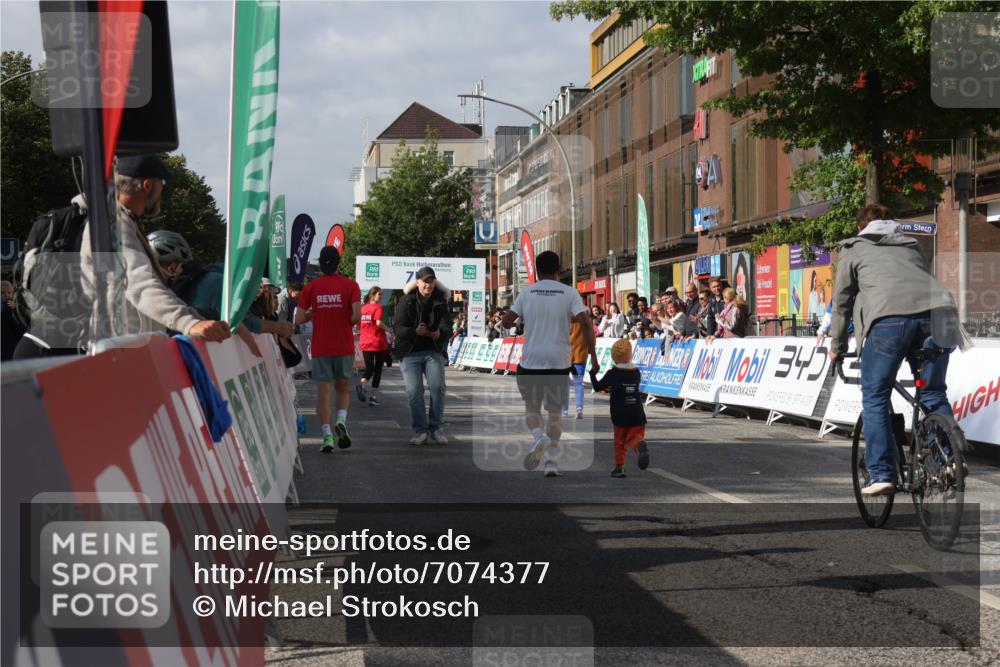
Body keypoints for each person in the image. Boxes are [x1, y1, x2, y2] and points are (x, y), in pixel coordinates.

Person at [16, 156, 230, 359]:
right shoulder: (112, 225)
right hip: (102, 354)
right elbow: (139, 282)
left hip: (110, 350)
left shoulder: (122, 221)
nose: (162, 191)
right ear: (147, 185)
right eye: (161, 183)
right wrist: (189, 323)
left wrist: (202, 322)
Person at [829, 204, 969, 496]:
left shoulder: (854, 249)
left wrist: (837, 347)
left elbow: (842, 303)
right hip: (939, 316)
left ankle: (882, 473)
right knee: (932, 391)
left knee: (876, 396)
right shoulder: (912, 245)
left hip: (889, 321)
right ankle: (949, 459)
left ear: (860, 228)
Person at [502, 251, 598, 478]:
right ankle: (552, 462)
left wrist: (517, 317)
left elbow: (507, 321)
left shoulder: (527, 293)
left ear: (536, 269)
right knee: (555, 413)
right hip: (558, 361)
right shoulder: (569, 293)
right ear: (560, 268)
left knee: (532, 409)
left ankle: (539, 437)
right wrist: (593, 355)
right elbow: (585, 321)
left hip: (532, 360)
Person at [147, 229, 290, 356]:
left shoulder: (209, 283)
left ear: (172, 267)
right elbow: (244, 321)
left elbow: (243, 320)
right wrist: (278, 327)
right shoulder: (212, 281)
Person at [295, 247, 362, 453]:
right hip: (344, 346)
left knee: (323, 393)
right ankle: (341, 420)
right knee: (342, 388)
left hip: (321, 347)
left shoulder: (311, 287)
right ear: (338, 263)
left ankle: (327, 437)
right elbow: (357, 316)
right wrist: (344, 319)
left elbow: (298, 319)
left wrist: (314, 313)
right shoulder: (351, 285)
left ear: (321, 263)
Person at [395, 266, 453, 445]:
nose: (428, 284)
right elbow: (398, 329)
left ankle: (435, 428)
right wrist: (415, 331)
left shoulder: (441, 302)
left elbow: (447, 327)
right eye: (425, 281)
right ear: (417, 282)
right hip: (410, 352)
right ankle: (420, 431)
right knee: (414, 391)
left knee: (438, 388)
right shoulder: (406, 301)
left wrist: (439, 333)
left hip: (432, 350)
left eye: (431, 281)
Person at [590, 338, 648, 478]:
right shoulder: (636, 372)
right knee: (636, 435)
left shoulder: (612, 373)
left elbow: (598, 387)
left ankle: (620, 467)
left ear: (613, 356)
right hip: (637, 412)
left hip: (619, 412)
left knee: (620, 441)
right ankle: (638, 444)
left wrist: (593, 373)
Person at [357, 286, 390, 406]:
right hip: (377, 342)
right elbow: (378, 323)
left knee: (369, 368)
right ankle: (373, 397)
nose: (381, 297)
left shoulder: (362, 308)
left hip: (365, 342)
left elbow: (357, 324)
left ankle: (362, 384)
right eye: (379, 294)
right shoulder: (377, 307)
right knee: (378, 370)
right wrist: (390, 330)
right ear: (372, 295)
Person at [1, 280, 25, 361]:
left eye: (9, 293)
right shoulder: (10, 308)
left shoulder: (13, 307)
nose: (6, 295)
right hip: (10, 350)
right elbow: (21, 329)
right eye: (3, 293)